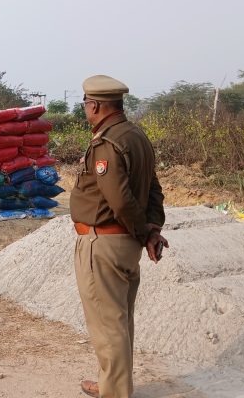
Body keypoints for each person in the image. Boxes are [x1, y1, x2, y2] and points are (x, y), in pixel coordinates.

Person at [69, 75, 169, 398]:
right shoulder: (137, 136)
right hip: (125, 245)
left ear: (95, 106)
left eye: (86, 104)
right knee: (119, 324)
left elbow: (121, 200)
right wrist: (152, 230)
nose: (85, 108)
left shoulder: (107, 145)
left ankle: (115, 393)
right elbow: (154, 189)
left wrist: (145, 233)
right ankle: (112, 384)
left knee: (108, 328)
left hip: (105, 246)